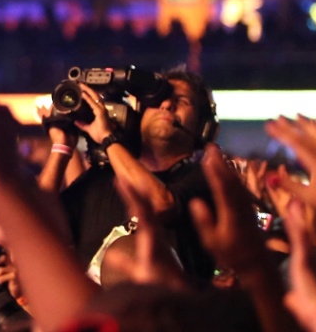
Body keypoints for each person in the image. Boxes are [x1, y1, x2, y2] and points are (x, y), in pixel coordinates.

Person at [57, 68, 217, 282]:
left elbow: (160, 203)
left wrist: (107, 138)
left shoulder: (205, 178)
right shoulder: (101, 177)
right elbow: (36, 226)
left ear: (203, 127)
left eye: (183, 101)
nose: (166, 104)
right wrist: (60, 149)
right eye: (158, 99)